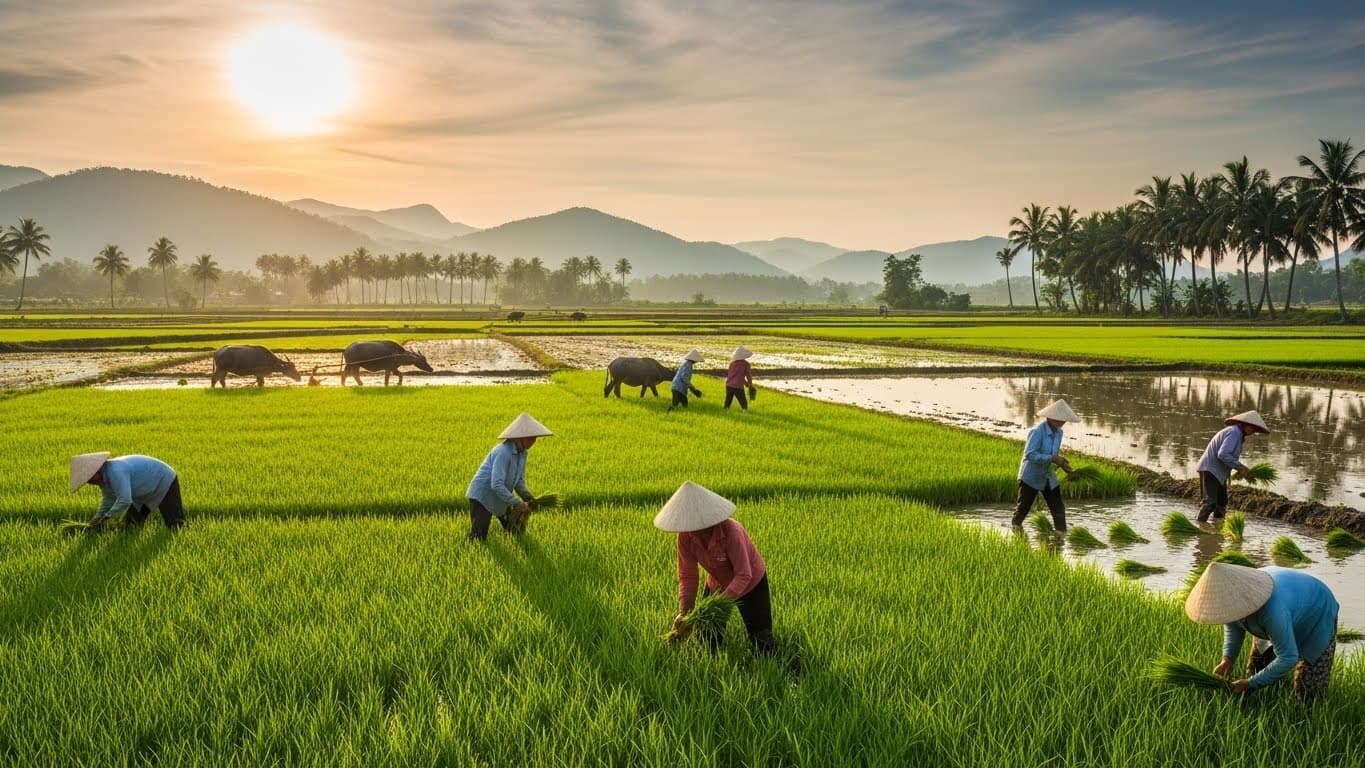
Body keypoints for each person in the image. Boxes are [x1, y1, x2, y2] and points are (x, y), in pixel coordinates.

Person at [1185, 561, 1339, 700]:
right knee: (1257, 667)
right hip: (1285, 605)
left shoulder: (1272, 612)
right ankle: (1268, 699)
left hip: (1317, 610)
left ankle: (1307, 718)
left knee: (1308, 687)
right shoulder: (1232, 601)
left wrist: (1251, 684)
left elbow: (1288, 658)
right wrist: (1227, 660)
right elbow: (1233, 627)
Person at [655, 481, 775, 653]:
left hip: (751, 584)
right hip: (718, 583)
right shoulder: (685, 537)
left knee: (761, 641)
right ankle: (714, 667)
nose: (690, 528)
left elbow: (744, 575)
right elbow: (688, 575)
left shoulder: (731, 532)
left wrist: (717, 605)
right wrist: (685, 612)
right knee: (706, 636)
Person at [466, 412, 552, 541]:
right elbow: (496, 484)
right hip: (482, 496)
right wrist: (517, 503)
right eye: (531, 438)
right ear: (521, 437)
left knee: (516, 529)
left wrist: (528, 497)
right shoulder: (503, 452)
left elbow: (519, 481)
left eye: (535, 438)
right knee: (478, 536)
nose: (534, 441)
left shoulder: (522, 454)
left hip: (500, 496)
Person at [69, 452, 185, 530]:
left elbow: (125, 500)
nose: (90, 483)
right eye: (87, 481)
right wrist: (97, 517)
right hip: (143, 495)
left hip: (163, 480)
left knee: (175, 524)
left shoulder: (116, 472)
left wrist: (106, 517)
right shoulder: (103, 479)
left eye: (90, 478)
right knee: (130, 526)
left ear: (96, 470)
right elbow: (109, 499)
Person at [1011, 399, 1078, 531]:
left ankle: (1061, 536)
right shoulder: (1037, 432)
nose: (1064, 422)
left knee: (1058, 508)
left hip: (1048, 475)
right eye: (1062, 419)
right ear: (1053, 418)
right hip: (1031, 476)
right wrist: (1052, 458)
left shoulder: (1059, 433)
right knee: (1023, 509)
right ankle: (1016, 531)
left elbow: (1054, 455)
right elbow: (1029, 454)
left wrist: (1062, 463)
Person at [1195, 410, 1269, 523]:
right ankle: (1199, 528)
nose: (1253, 432)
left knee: (1222, 503)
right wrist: (1240, 467)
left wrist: (1239, 469)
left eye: (1255, 430)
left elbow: (1228, 456)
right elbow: (1223, 454)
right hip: (1210, 469)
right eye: (1252, 428)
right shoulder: (1234, 432)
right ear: (1246, 425)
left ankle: (1217, 527)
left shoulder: (1238, 435)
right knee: (1210, 503)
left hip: (1218, 472)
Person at [724, 346, 755, 410]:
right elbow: (748, 376)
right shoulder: (746, 364)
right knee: (744, 405)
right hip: (738, 387)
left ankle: (725, 412)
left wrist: (746, 384)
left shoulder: (732, 363)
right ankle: (745, 414)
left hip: (729, 385)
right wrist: (750, 385)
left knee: (727, 403)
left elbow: (734, 375)